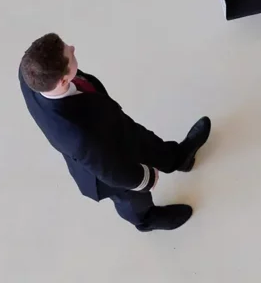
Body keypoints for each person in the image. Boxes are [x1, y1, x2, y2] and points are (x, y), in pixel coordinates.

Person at [18, 32, 211, 232]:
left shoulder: (30, 72)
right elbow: (115, 173)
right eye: (71, 54)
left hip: (113, 131)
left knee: (147, 141)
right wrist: (147, 178)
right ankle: (146, 220)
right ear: (63, 81)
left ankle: (179, 159)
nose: (73, 47)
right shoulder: (78, 136)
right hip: (107, 167)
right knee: (130, 197)